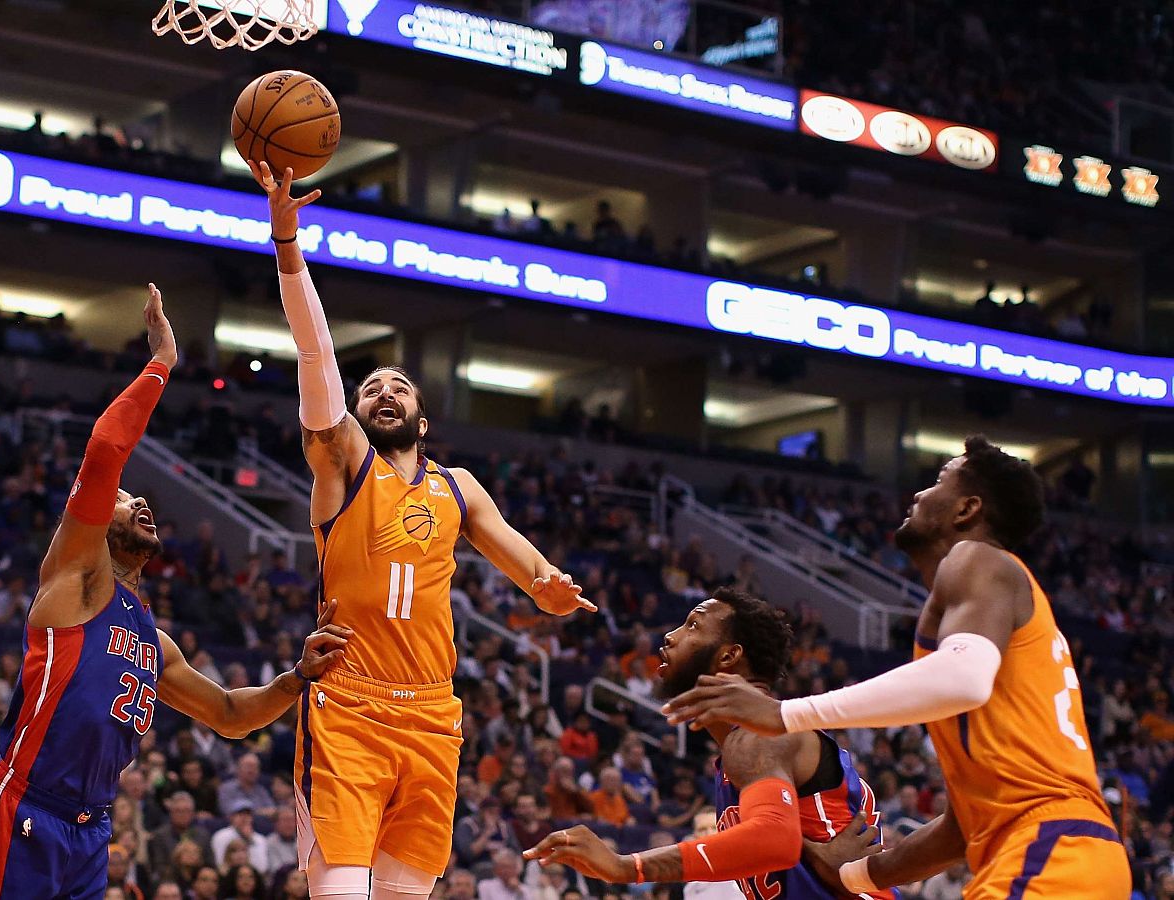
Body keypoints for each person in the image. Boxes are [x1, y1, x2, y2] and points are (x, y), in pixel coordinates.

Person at [253, 161, 594, 900]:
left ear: (421, 416)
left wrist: (547, 588)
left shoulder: (458, 487)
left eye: (397, 387)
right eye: (371, 387)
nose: (382, 393)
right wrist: (287, 241)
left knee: (409, 893)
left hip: (433, 714)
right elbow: (316, 353)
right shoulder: (341, 463)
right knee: (342, 891)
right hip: (347, 703)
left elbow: (521, 561)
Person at [0, 285, 351, 899]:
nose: (143, 504)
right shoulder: (74, 580)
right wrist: (161, 363)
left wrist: (298, 678)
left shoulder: (155, 645)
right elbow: (107, 450)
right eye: (129, 500)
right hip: (19, 810)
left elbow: (233, 717)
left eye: (143, 500)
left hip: (88, 835)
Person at [661, 437, 1131, 898]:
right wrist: (853, 876)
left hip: (1049, 848)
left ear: (967, 509)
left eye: (938, 481)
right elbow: (959, 829)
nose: (919, 493)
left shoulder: (977, 559)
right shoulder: (977, 613)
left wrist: (787, 714)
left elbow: (963, 679)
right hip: (1056, 851)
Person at [523, 589, 892, 899]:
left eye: (693, 625)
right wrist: (811, 852)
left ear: (729, 656)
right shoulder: (747, 746)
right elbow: (786, 843)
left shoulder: (758, 736)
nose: (669, 636)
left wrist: (627, 866)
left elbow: (774, 840)